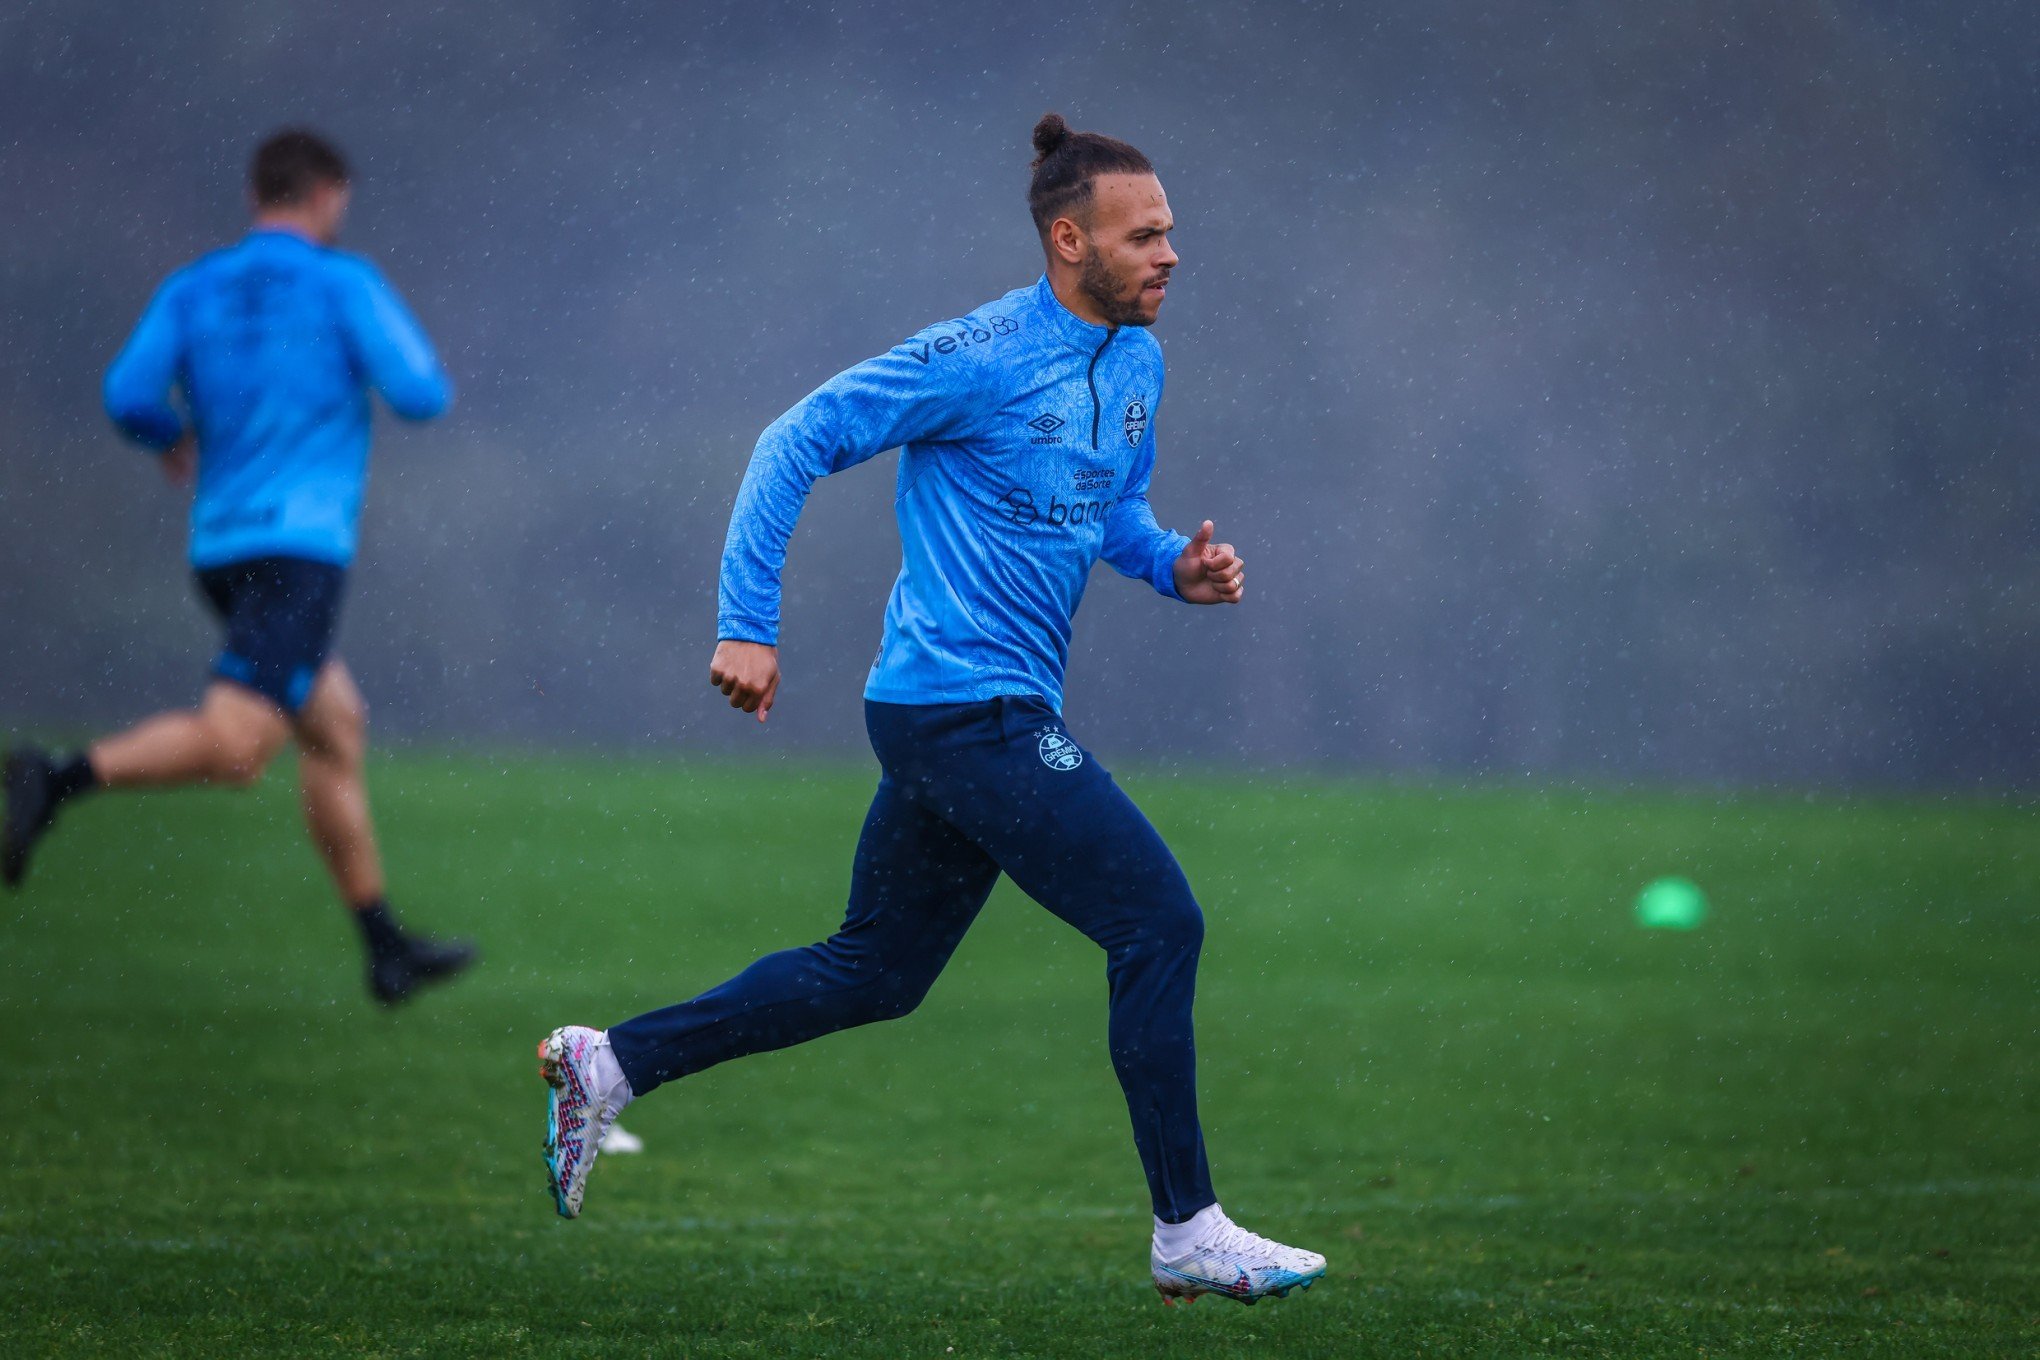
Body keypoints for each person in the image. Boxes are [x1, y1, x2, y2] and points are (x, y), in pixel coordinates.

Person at [535, 113, 1325, 1305]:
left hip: (949, 714)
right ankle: (1186, 1227)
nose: (1171, 253)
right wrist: (747, 621)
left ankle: (613, 1062)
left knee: (874, 972)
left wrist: (1174, 566)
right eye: (1145, 233)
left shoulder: (1140, 363)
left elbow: (1109, 509)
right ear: (1070, 239)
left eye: (1172, 231)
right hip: (968, 710)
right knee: (1160, 923)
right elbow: (793, 440)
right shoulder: (977, 354)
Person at [2, 129, 476, 1006]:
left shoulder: (195, 287)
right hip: (298, 552)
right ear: (328, 193)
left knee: (335, 726)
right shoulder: (343, 283)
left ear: (262, 193)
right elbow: (419, 394)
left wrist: (173, 437)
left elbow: (127, 396)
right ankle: (56, 776)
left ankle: (385, 948)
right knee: (237, 749)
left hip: (219, 549)